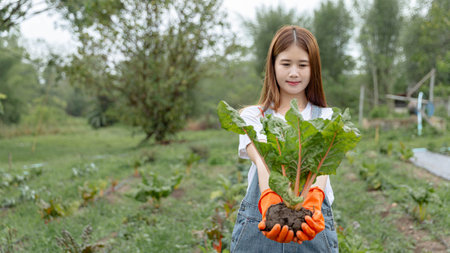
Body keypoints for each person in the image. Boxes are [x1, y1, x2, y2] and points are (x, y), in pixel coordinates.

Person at [230, 26, 339, 252]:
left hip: (311, 224)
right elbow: (262, 161)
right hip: (262, 222)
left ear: (314, 69)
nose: (294, 73)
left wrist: (315, 199)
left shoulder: (327, 117)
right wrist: (270, 198)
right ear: (273, 65)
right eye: (286, 64)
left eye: (302, 65)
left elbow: (322, 168)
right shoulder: (252, 117)